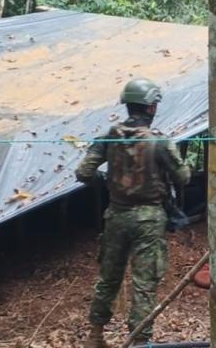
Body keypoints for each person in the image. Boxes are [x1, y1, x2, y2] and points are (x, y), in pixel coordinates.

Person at [76, 78, 190, 347]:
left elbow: (83, 173)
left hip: (116, 215)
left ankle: (95, 335)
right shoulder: (159, 141)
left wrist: (108, 183)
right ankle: (139, 341)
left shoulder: (110, 136)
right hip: (149, 220)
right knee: (144, 282)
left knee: (109, 278)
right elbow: (183, 177)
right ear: (151, 107)